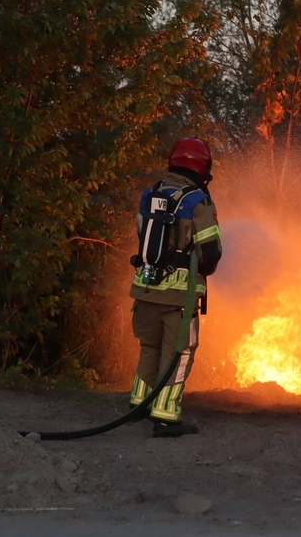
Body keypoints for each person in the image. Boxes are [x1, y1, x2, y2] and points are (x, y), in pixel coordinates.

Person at [128, 137, 222, 438]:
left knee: (150, 347)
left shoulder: (150, 194)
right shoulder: (198, 201)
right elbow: (209, 254)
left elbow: (144, 237)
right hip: (178, 297)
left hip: (144, 289)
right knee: (179, 353)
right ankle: (166, 416)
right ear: (201, 166)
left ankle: (139, 403)